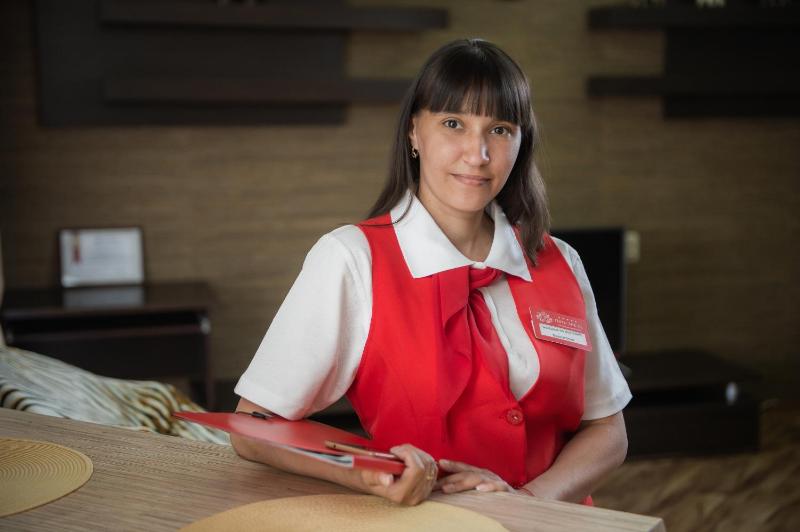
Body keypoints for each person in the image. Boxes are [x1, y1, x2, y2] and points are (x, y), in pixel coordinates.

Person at [231, 38, 631, 507]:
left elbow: (608, 429)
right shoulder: (352, 258)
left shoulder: (560, 260)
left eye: (500, 130)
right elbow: (253, 426)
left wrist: (529, 502)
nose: (477, 154)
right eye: (453, 123)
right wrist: (367, 475)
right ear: (413, 133)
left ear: (521, 143)